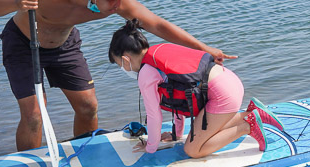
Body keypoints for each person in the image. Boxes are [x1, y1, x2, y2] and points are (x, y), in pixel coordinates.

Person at [0, 0, 235, 151]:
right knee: (35, 114)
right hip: (23, 43)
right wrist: (16, 2)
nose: (117, 4)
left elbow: (157, 24)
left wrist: (205, 49)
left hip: (64, 44)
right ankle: (29, 165)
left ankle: (83, 151)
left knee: (88, 106)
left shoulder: (117, 3)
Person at [108, 19, 284, 157]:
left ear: (125, 60)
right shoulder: (161, 50)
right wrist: (176, 134)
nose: (122, 68)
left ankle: (248, 126)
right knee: (203, 134)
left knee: (193, 150)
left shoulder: (146, 73)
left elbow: (155, 115)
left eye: (118, 64)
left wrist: (151, 148)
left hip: (222, 96)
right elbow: (178, 94)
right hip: (230, 81)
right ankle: (254, 113)